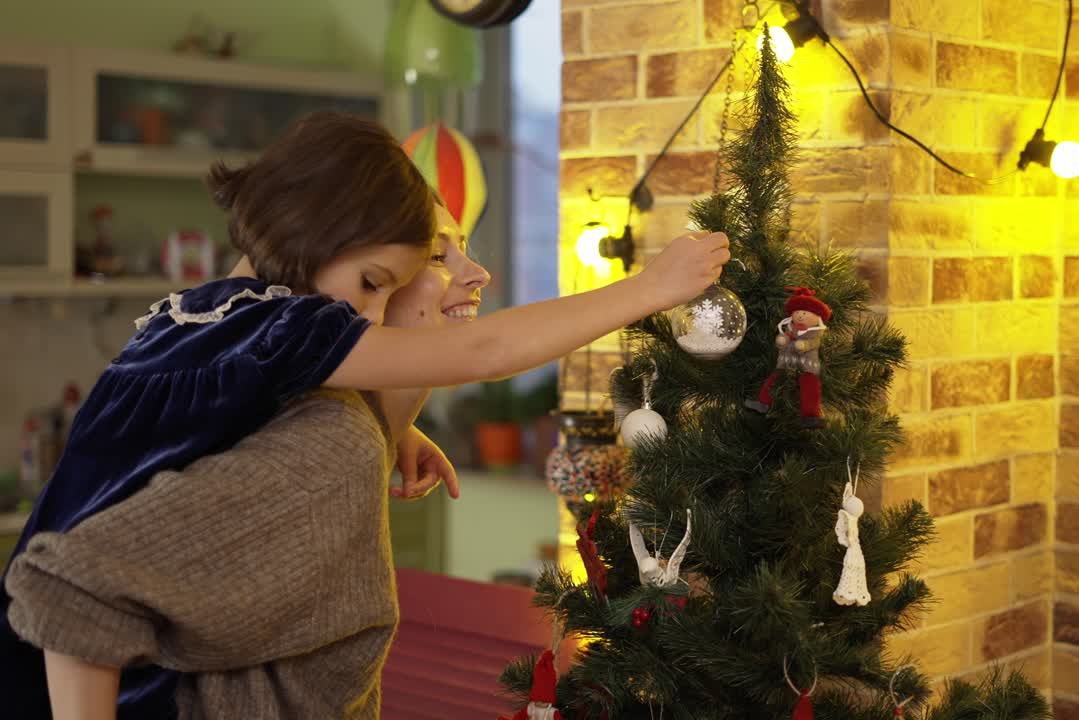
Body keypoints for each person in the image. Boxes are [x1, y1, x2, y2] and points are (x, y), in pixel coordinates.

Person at [1, 112, 728, 717]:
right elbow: (488, 350)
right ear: (312, 228)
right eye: (377, 282)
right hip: (75, 659)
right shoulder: (296, 326)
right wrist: (647, 288)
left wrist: (398, 427)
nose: (369, 316)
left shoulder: (193, 319)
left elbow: (236, 423)